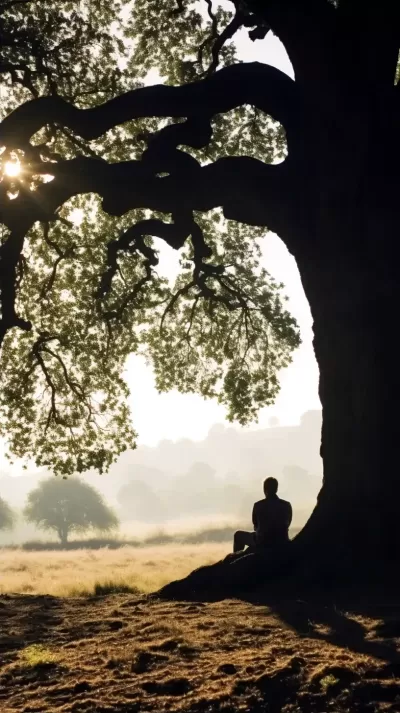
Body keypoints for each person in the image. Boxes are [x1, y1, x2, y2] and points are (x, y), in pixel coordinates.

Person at [233, 477, 292, 553]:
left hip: (262, 541)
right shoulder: (286, 505)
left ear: (264, 489)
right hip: (282, 540)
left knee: (238, 535)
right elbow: (288, 523)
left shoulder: (258, 505)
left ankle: (236, 560)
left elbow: (255, 525)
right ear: (276, 489)